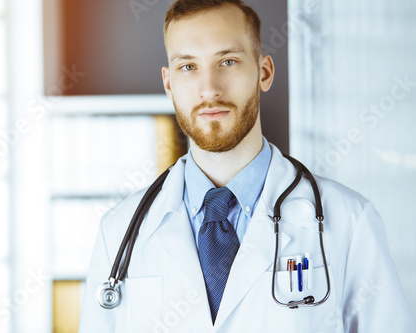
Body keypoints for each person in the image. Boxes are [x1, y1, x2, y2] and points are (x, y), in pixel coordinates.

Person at [79, 0, 416, 332]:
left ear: (264, 72)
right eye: (188, 66)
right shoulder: (119, 230)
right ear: (169, 84)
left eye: (227, 61)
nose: (209, 89)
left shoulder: (349, 221)